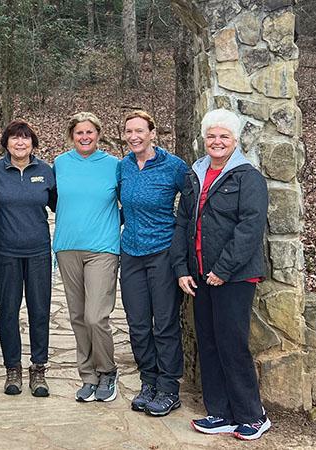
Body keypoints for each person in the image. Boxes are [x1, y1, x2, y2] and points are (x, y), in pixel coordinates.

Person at [171, 109, 271, 441]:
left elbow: (249, 228)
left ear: (235, 141)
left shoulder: (247, 177)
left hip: (235, 276)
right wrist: (182, 268)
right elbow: (183, 223)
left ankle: (252, 415)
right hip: (199, 274)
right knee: (209, 343)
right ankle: (221, 413)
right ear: (204, 139)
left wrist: (223, 270)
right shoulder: (195, 175)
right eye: (212, 136)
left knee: (231, 343)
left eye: (224, 136)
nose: (217, 142)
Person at [117, 110, 189, 417]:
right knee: (138, 324)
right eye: (129, 131)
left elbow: (190, 209)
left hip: (162, 252)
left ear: (152, 133)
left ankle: (169, 387)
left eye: (139, 131)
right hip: (131, 252)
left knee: (164, 323)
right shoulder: (123, 166)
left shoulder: (173, 166)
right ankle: (148, 381)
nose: (134, 136)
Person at [52, 112, 121, 403]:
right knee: (78, 317)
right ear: (72, 135)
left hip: (103, 249)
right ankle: (88, 376)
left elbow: (128, 201)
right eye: (79, 133)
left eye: (90, 132)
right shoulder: (60, 163)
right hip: (67, 247)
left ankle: (107, 371)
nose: (85, 137)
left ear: (98, 134)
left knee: (96, 316)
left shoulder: (114, 166)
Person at [0, 120, 56, 397]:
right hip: (6, 252)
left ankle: (38, 369)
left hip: (38, 251)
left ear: (33, 143)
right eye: (15, 138)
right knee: (8, 311)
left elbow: (63, 206)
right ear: (6, 142)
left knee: (39, 311)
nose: (20, 143)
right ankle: (12, 369)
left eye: (26, 139)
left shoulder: (46, 172)